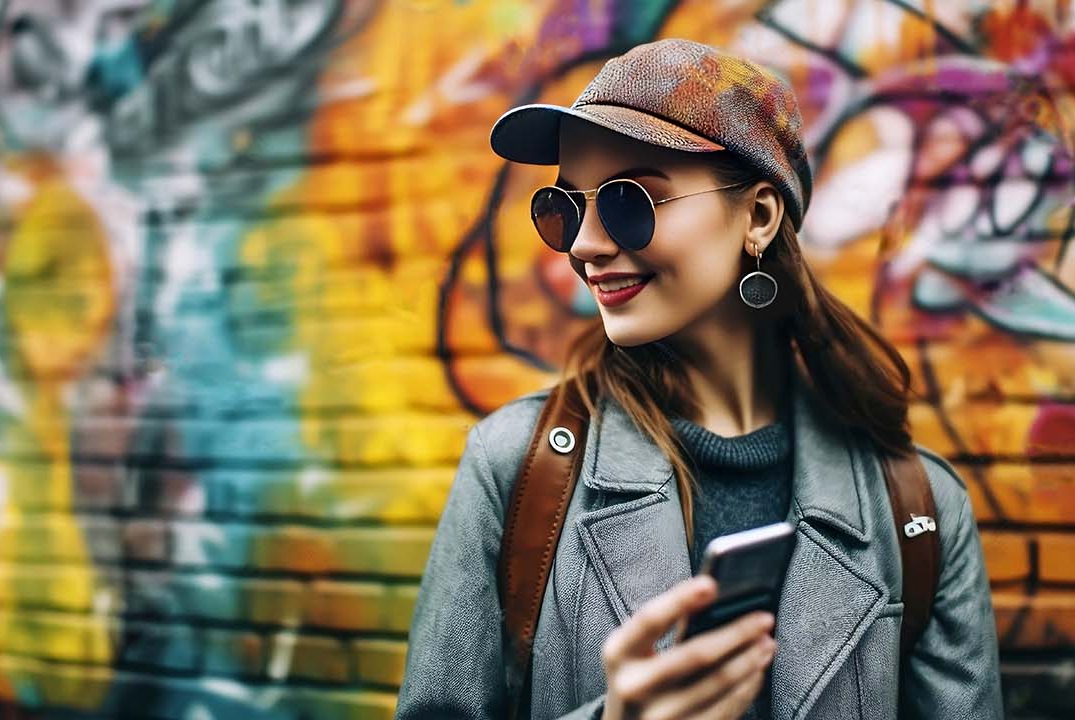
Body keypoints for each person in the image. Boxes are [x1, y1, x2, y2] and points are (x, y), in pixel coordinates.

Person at [395, 38, 1002, 720]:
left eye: (630, 201)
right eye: (563, 209)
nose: (586, 244)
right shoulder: (515, 469)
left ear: (761, 217)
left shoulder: (917, 511)